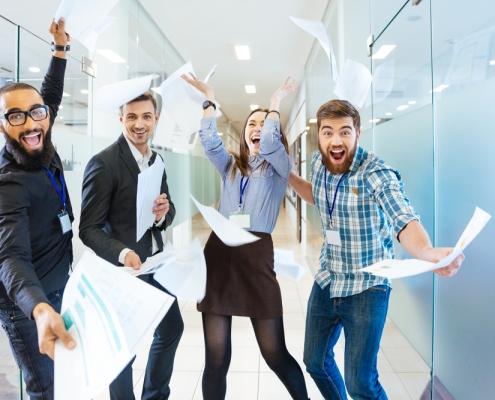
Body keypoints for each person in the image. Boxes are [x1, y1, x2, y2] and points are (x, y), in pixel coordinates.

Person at [288, 99, 465, 399]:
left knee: (361, 383)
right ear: (318, 135)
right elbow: (315, 194)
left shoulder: (376, 172)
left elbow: (403, 217)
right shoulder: (319, 164)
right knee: (314, 361)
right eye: (328, 132)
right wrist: (288, 177)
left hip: (367, 286)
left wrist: (426, 252)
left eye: (345, 131)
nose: (336, 140)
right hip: (328, 277)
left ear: (357, 133)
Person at [182, 73, 309, 400]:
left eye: (264, 124)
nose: (258, 128)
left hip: (255, 257)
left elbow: (268, 143)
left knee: (274, 354)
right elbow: (209, 141)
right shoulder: (230, 166)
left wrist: (274, 105)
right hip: (219, 255)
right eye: (252, 124)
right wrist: (209, 98)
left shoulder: (279, 165)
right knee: (216, 358)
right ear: (242, 133)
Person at [79, 90, 183, 400]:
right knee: (122, 349)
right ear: (121, 118)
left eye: (146, 116)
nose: (140, 124)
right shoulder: (104, 163)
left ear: (156, 119)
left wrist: (164, 214)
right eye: (132, 116)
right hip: (122, 271)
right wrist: (124, 254)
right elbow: (88, 229)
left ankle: (154, 395)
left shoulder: (157, 159)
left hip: (154, 265)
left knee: (171, 328)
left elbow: (167, 209)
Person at [0, 19, 76, 399]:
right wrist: (39, 308)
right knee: (45, 387)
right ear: (2, 127)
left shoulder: (40, 135)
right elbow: (10, 257)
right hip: (25, 304)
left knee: (64, 378)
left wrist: (59, 51)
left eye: (37, 113)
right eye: (16, 116)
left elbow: (49, 95)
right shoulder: (8, 183)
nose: (30, 124)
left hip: (55, 282)